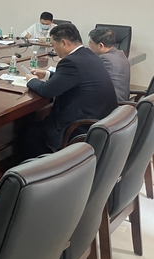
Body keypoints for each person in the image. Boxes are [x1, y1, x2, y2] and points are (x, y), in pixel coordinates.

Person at [23, 24, 117, 158]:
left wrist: (31, 80)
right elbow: (74, 79)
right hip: (99, 119)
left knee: (29, 132)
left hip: (79, 126)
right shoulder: (89, 54)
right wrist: (47, 74)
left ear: (64, 43)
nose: (54, 49)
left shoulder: (71, 62)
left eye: (54, 45)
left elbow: (46, 91)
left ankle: (50, 166)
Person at [88, 27, 130, 102]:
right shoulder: (120, 53)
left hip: (113, 103)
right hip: (122, 100)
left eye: (90, 43)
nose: (88, 46)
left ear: (100, 45)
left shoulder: (105, 59)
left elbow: (91, 81)